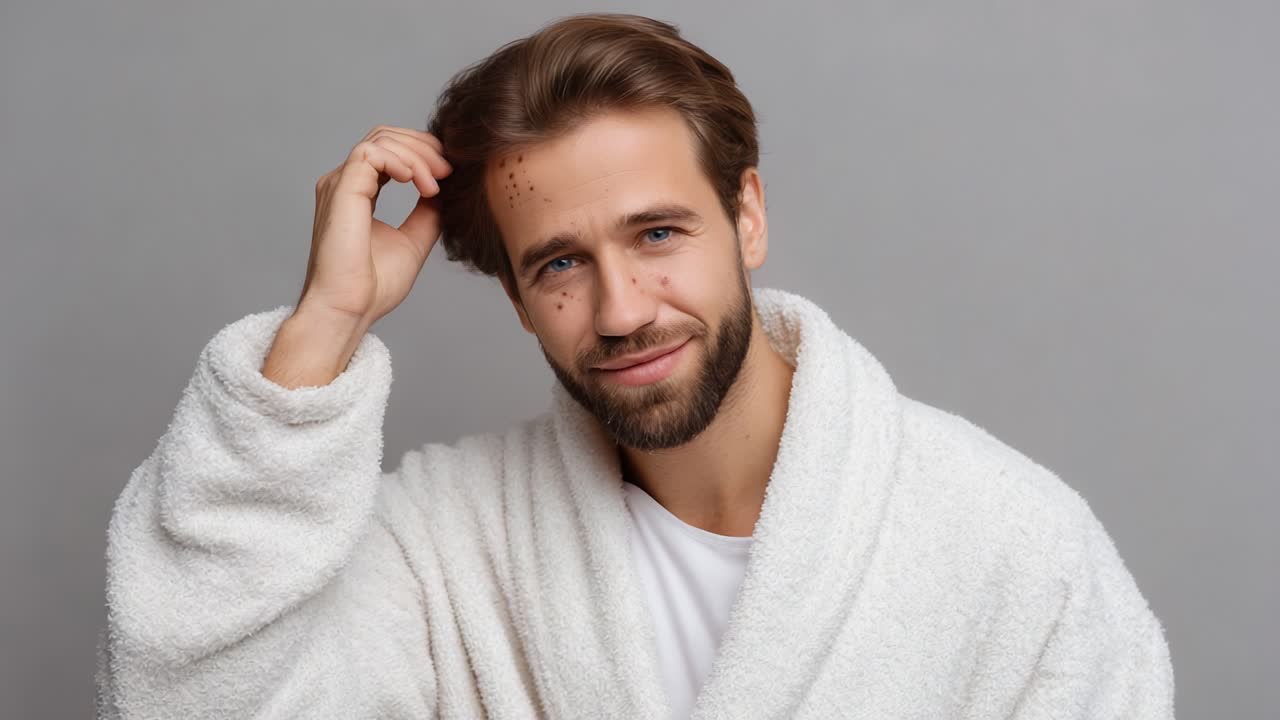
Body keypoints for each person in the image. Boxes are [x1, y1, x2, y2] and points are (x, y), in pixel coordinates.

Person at [94, 12, 1175, 720]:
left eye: (657, 234)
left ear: (744, 216)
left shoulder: (1008, 544)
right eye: (559, 262)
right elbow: (180, 690)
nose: (619, 311)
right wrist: (327, 319)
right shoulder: (448, 552)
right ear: (515, 296)